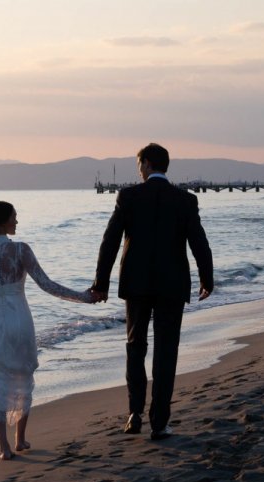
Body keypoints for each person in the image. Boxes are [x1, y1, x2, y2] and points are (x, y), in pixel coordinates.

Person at [90, 143, 214, 440]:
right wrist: (207, 278)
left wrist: (101, 283)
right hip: (173, 284)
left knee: (135, 345)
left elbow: (110, 241)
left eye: (138, 164)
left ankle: (134, 413)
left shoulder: (129, 197)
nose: (138, 169)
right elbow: (199, 241)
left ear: (145, 164)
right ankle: (159, 422)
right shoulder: (185, 200)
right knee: (166, 350)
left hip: (136, 283)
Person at [0, 201, 95, 460]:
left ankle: (4, 448)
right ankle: (20, 439)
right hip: (19, 319)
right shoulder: (21, 250)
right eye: (14, 217)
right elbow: (46, 284)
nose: (17, 221)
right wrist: (84, 297)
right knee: (23, 375)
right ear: (3, 222)